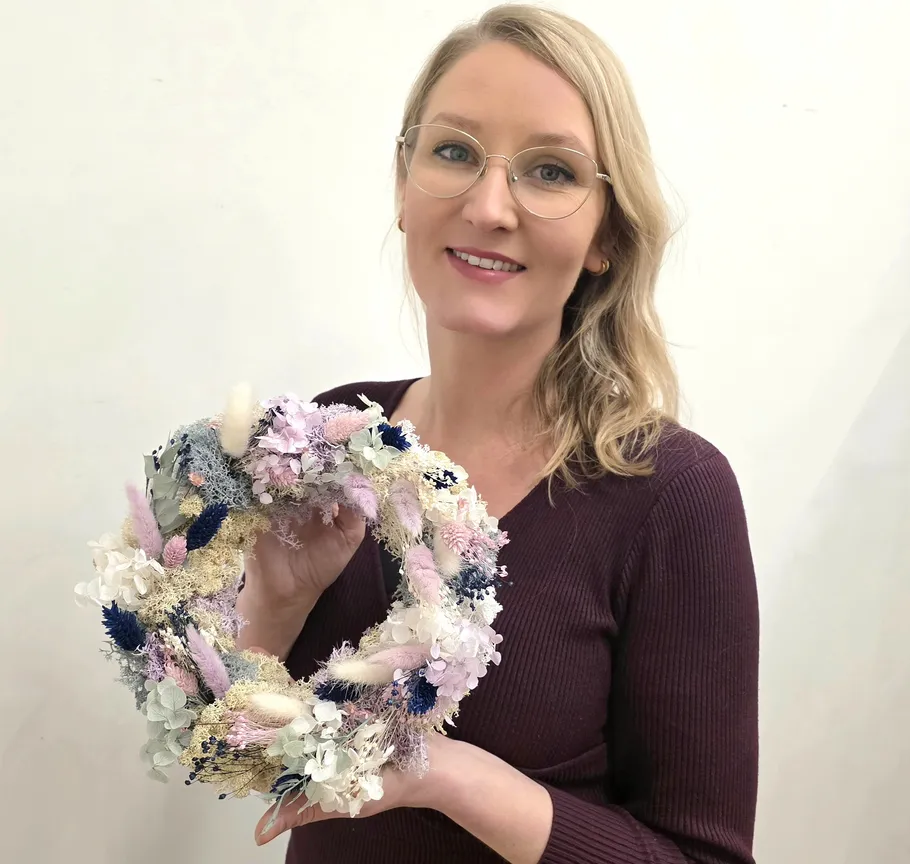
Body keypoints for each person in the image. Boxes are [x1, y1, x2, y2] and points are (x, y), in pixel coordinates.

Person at [236, 5, 760, 863]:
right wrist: (277, 610)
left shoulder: (671, 495)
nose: (488, 205)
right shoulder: (324, 442)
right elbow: (256, 762)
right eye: (454, 152)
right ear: (403, 187)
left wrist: (450, 776)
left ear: (605, 237)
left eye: (549, 171)